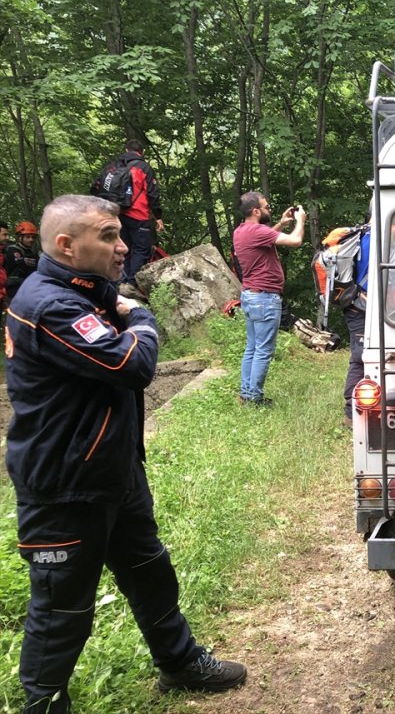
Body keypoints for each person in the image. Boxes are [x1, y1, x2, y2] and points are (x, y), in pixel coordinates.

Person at [5, 194, 246, 714]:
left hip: (113, 470)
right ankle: (43, 706)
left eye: (120, 233)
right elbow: (131, 365)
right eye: (108, 236)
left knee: (149, 571)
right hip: (65, 483)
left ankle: (179, 663)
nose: (123, 246)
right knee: (62, 606)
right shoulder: (51, 304)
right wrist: (139, 317)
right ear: (67, 246)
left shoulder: (86, 291)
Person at [232, 191, 305, 406]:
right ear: (256, 211)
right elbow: (296, 241)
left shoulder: (242, 230)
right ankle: (254, 398)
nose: (269, 209)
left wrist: (282, 223)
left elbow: (265, 238)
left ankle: (246, 394)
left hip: (251, 296)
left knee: (252, 347)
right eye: (266, 207)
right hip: (264, 299)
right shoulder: (257, 230)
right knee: (263, 350)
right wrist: (300, 221)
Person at [91, 139, 164, 295]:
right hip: (138, 214)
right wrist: (158, 216)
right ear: (141, 153)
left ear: (126, 150)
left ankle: (122, 281)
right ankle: (131, 284)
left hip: (117, 214)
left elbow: (97, 189)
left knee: (125, 249)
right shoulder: (143, 167)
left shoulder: (114, 167)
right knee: (141, 249)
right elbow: (152, 193)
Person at [342, 223, 371, 426]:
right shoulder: (372, 238)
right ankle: (351, 413)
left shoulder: (365, 234)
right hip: (360, 305)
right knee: (360, 357)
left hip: (360, 304)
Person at [5, 221, 40, 302]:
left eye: (33, 237)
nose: (31, 240)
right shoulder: (12, 250)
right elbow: (24, 266)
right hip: (14, 290)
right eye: (28, 237)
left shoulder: (33, 253)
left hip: (28, 289)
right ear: (20, 237)